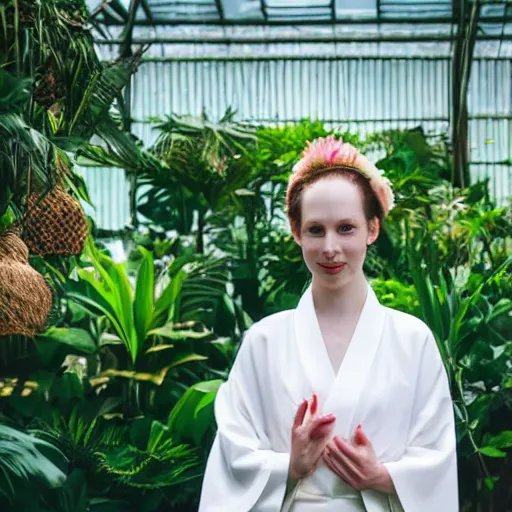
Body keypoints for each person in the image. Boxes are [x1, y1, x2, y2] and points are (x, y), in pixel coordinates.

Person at [198, 135, 458, 512]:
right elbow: (232, 452)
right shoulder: (263, 341)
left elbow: (437, 453)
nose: (330, 247)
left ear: (372, 229)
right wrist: (288, 466)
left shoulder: (413, 340)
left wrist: (382, 477)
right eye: (316, 230)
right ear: (296, 231)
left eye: (346, 228)